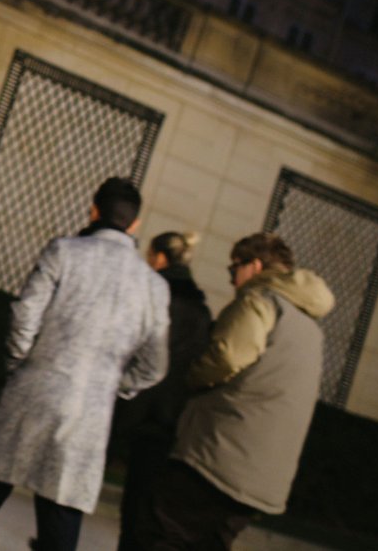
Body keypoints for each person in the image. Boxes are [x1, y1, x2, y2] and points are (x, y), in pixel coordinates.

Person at [0, 178, 170, 551]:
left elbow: (26, 312)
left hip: (34, 385)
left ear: (94, 209)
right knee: (62, 508)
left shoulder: (65, 251)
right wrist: (113, 385)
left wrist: (22, 362)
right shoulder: (154, 286)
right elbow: (154, 365)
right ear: (135, 224)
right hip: (90, 409)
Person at [140, 233, 334, 550]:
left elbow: (228, 357)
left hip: (218, 454)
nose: (232, 280)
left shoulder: (259, 300)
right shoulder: (311, 328)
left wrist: (191, 377)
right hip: (265, 474)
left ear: (254, 265)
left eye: (234, 270)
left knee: (164, 531)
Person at [112, 232, 212, 551]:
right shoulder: (201, 311)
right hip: (170, 417)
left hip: (135, 405)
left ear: (159, 258)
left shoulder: (154, 296)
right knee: (144, 500)